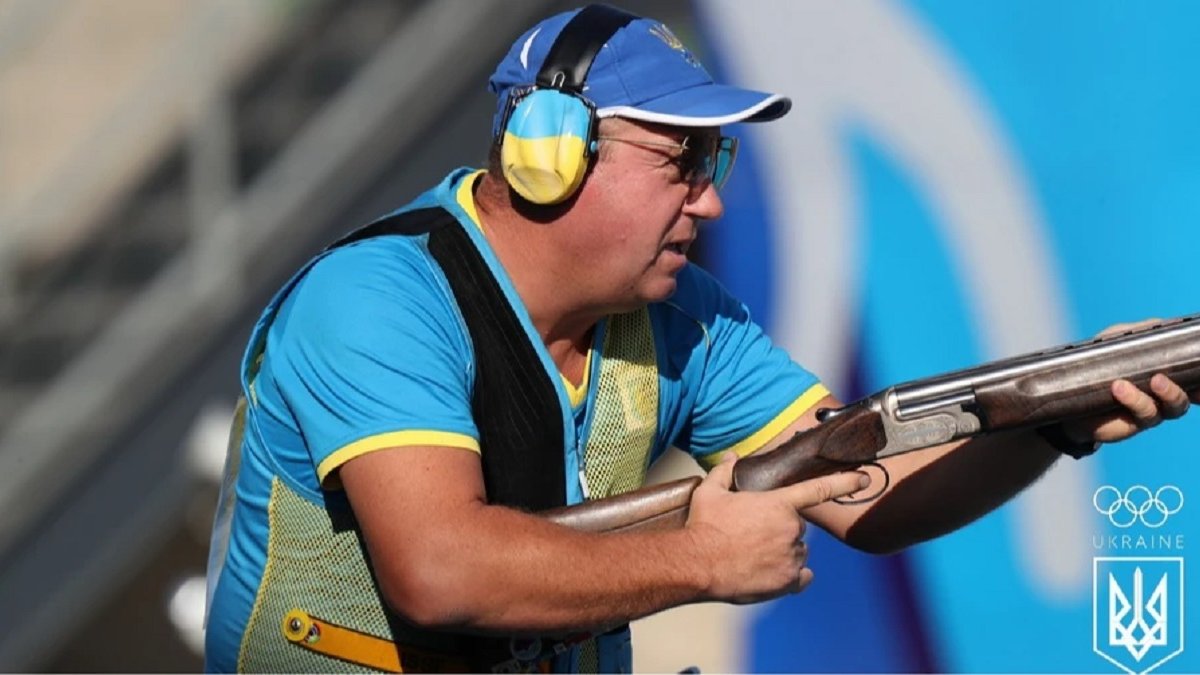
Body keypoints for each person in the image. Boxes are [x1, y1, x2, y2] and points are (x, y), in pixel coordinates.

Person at [202, 5, 1197, 673]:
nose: (709, 199)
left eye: (713, 162)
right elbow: (442, 571)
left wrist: (1052, 422)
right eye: (680, 161)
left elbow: (865, 493)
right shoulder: (377, 300)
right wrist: (700, 561)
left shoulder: (685, 319)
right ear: (550, 155)